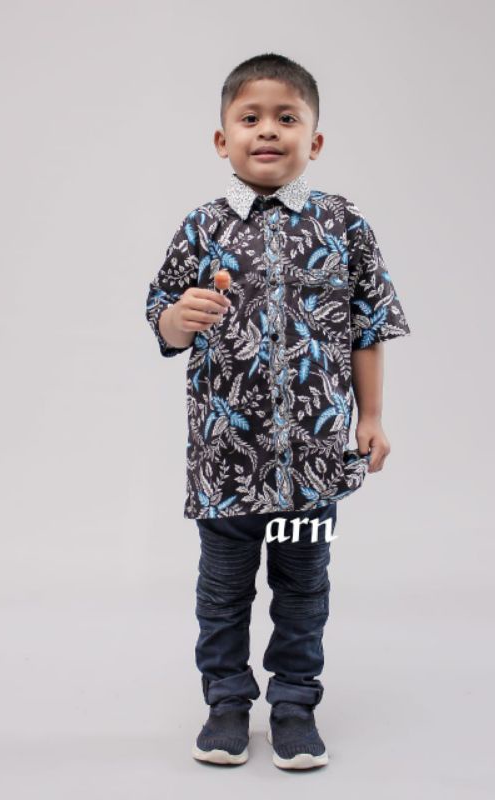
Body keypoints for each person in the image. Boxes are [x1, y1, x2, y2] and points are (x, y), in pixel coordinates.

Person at [145, 53, 411, 770]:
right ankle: (226, 704)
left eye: (286, 118)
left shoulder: (343, 225)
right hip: (226, 466)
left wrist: (371, 418)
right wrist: (179, 318)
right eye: (250, 117)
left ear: (314, 141)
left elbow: (369, 328)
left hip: (312, 467)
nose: (268, 130)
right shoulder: (202, 228)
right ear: (222, 138)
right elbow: (162, 322)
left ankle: (295, 706)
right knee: (224, 593)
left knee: (302, 589)